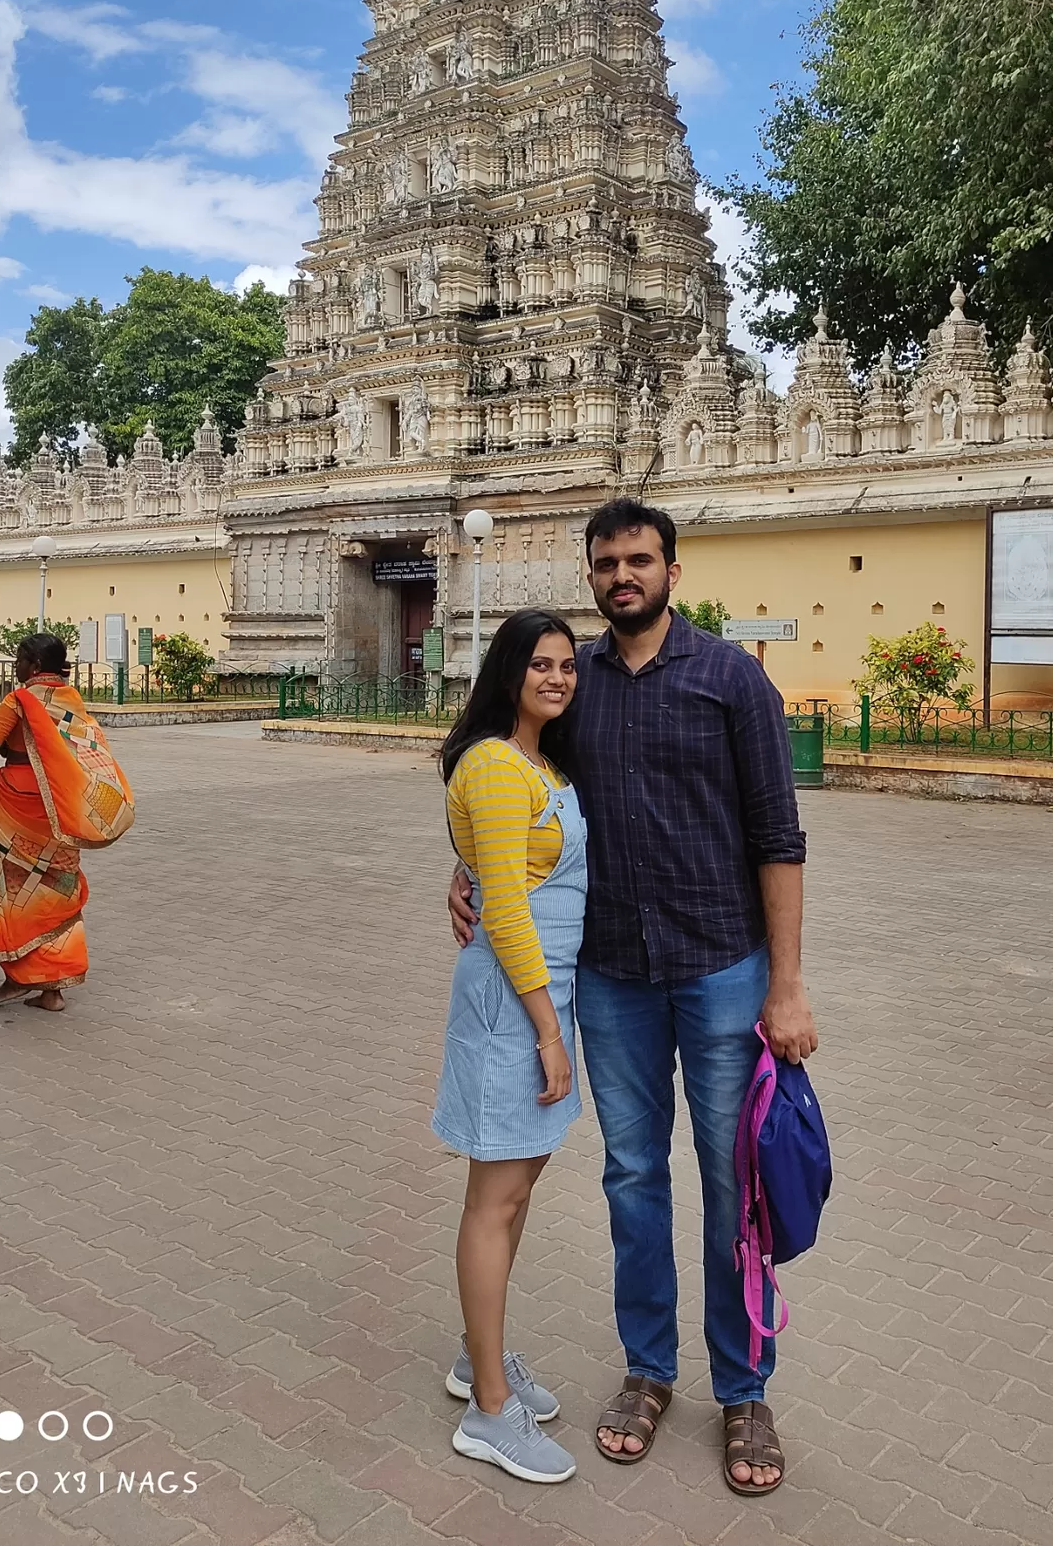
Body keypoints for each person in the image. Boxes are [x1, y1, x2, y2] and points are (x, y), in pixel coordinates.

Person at [450, 499, 816, 1497]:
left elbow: (779, 838)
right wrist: (468, 871)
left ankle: (744, 1387)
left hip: (721, 968)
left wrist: (787, 984)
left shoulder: (733, 681)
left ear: (672, 570)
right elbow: (510, 790)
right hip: (612, 976)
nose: (624, 574)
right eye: (607, 561)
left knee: (732, 1180)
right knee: (632, 1178)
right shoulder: (577, 687)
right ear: (593, 571)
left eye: (640, 559)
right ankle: (649, 1372)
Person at [433, 608, 583, 1486]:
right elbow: (510, 906)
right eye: (540, 664)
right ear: (507, 671)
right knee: (495, 1196)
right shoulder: (495, 763)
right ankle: (490, 1411)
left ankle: (475, 1356)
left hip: (542, 995)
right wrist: (546, 1029)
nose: (557, 677)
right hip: (514, 1004)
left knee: (517, 1185)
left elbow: (499, 876)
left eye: (567, 665)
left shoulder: (542, 761)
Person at [0, 632, 134, 1013]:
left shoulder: (19, 700)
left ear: (35, 665)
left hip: (19, 807)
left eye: (19, 660)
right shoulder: (72, 701)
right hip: (62, 807)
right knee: (58, 887)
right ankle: (52, 990)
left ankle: (18, 978)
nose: (16, 667)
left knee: (12, 890)